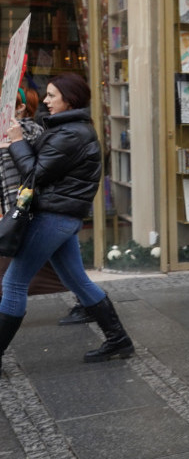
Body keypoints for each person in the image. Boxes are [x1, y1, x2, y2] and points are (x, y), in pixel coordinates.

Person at [0, 73, 134, 364]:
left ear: (69, 100)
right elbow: (45, 166)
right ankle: (119, 340)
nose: (45, 101)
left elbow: (34, 173)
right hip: (61, 216)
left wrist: (17, 143)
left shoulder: (72, 133)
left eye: (51, 96)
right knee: (77, 280)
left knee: (13, 284)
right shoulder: (68, 129)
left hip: (53, 217)